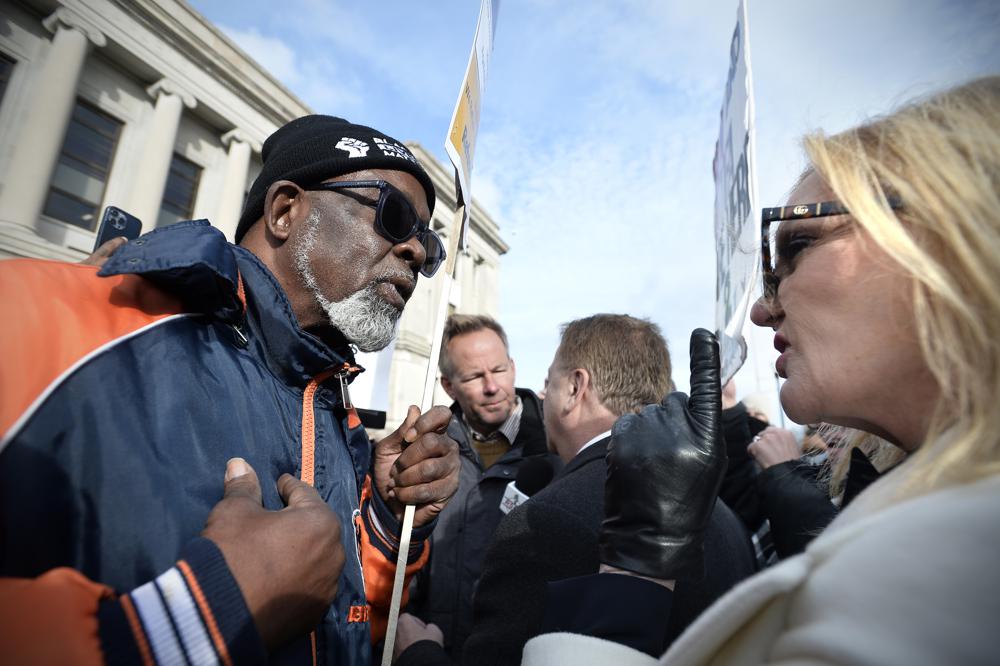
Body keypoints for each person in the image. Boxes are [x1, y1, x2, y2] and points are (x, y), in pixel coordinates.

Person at [522, 76, 1000, 664]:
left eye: (795, 246)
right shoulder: (934, 522)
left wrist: (636, 566)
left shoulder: (949, 569)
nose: (762, 304)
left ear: (950, 235)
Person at [0, 115, 462, 665]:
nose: (414, 250)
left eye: (426, 244)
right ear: (286, 210)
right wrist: (197, 618)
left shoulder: (335, 411)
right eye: (393, 215)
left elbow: (340, 627)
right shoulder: (35, 320)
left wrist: (386, 523)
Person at [395, 315, 756, 665]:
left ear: (574, 388)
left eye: (549, 383)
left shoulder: (545, 522)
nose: (543, 396)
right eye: (474, 375)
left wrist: (417, 654)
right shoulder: (725, 516)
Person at [406, 314, 554, 656]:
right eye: (474, 376)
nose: (492, 387)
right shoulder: (427, 451)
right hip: (436, 648)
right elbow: (407, 564)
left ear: (513, 367)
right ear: (448, 385)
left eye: (499, 370)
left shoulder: (556, 448)